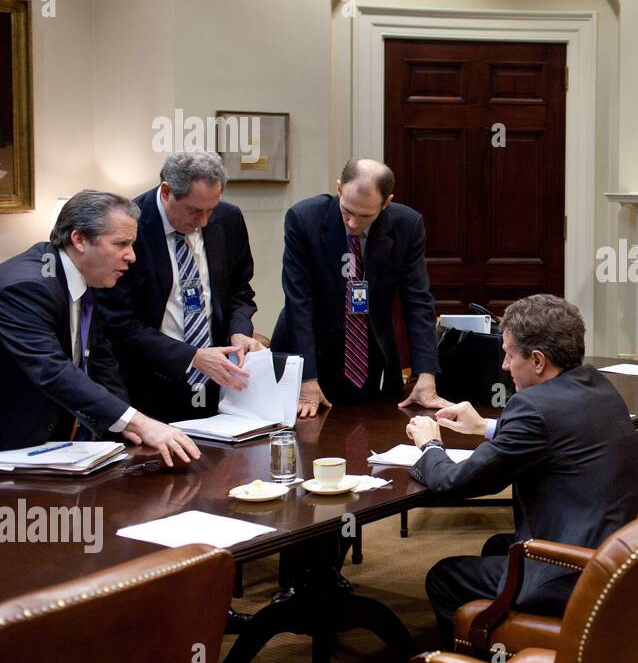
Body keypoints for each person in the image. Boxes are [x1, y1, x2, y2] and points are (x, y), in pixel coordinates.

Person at [404, 294, 638, 645]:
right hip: (616, 556)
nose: (503, 365)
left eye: (508, 354)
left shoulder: (531, 407)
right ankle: (509, 639)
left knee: (443, 577)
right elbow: (554, 433)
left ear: (537, 361)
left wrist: (430, 446)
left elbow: (455, 483)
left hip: (574, 573)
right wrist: (484, 427)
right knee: (496, 545)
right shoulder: (596, 384)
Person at [0, 190, 201, 465]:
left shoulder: (83, 275)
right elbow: (53, 370)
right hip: (13, 448)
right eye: (120, 244)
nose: (131, 256)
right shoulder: (28, 287)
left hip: (58, 447)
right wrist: (139, 423)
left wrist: (128, 431)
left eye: (132, 244)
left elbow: (101, 361)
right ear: (79, 239)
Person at [271, 158, 446, 417]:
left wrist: (426, 373)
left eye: (365, 216)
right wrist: (307, 379)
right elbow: (299, 302)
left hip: (367, 352)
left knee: (366, 432)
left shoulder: (407, 225)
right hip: (308, 350)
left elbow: (418, 301)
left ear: (386, 203)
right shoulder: (304, 219)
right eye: (347, 212)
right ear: (339, 188)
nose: (352, 223)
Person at [96, 152, 261, 422]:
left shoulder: (229, 219)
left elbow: (240, 291)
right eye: (195, 210)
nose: (204, 221)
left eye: (211, 209)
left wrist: (239, 331)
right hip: (151, 384)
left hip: (218, 384)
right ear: (166, 191)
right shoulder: (129, 229)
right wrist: (192, 356)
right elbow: (118, 324)